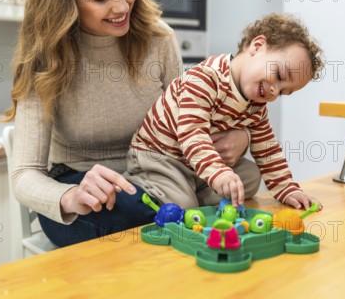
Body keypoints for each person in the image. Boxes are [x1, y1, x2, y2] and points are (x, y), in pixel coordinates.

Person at [3, 0, 254, 247]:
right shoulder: (45, 57)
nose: (122, 6)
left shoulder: (158, 39)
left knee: (244, 177)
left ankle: (182, 219)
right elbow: (24, 174)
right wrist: (70, 196)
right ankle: (186, 216)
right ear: (66, 2)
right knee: (120, 213)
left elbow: (191, 117)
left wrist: (240, 136)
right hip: (92, 190)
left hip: (161, 171)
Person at [126, 13, 325, 211]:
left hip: (195, 164)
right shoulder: (205, 79)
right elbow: (192, 133)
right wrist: (219, 173)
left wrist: (287, 189)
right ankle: (160, 187)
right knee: (182, 203)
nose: (275, 91)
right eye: (279, 75)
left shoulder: (256, 106)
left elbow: (268, 151)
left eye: (283, 92)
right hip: (161, 156)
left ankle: (192, 191)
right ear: (257, 46)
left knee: (250, 177)